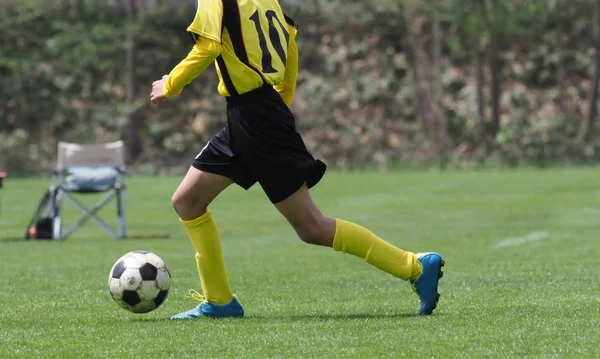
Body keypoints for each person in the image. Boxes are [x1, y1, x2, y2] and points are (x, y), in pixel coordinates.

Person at [150, 0, 444, 319]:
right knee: (188, 201)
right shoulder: (267, 2)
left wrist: (170, 84)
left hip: (257, 119)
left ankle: (415, 267)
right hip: (252, 117)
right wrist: (280, 108)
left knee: (312, 227)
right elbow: (290, 50)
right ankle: (219, 302)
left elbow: (209, 45)